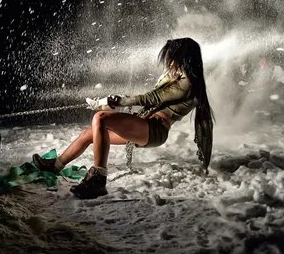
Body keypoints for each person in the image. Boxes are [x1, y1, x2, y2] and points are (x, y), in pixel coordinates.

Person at [32, 37, 215, 199]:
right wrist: (111, 101)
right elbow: (149, 98)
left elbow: (151, 98)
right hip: (146, 126)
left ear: (184, 58)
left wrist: (115, 102)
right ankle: (55, 166)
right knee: (88, 134)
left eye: (173, 58)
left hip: (154, 129)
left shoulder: (187, 84)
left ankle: (98, 180)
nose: (171, 63)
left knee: (101, 118)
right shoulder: (178, 80)